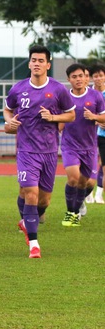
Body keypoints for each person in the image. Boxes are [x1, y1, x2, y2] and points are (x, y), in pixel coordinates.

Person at [4, 45, 75, 259]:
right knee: (31, 193)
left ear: (48, 64)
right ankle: (34, 244)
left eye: (40, 60)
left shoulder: (58, 89)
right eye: (33, 60)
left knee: (43, 200)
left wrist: (53, 118)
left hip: (50, 151)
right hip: (26, 150)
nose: (36, 63)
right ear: (29, 63)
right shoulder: (18, 88)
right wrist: (10, 121)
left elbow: (70, 115)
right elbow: (7, 109)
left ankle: (26, 220)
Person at [59, 63, 105, 226]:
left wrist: (94, 117)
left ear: (86, 78)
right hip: (69, 146)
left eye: (81, 76)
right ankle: (71, 213)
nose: (78, 79)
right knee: (73, 178)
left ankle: (78, 205)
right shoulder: (64, 97)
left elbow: (103, 118)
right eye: (74, 77)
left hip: (90, 147)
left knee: (87, 183)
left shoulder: (96, 96)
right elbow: (60, 120)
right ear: (69, 80)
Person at [86, 63, 105, 204]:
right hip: (90, 134)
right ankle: (88, 192)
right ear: (92, 78)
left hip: (103, 135)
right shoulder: (89, 93)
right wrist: (98, 121)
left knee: (103, 164)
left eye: (101, 75)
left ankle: (99, 194)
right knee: (88, 163)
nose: (98, 78)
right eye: (96, 76)